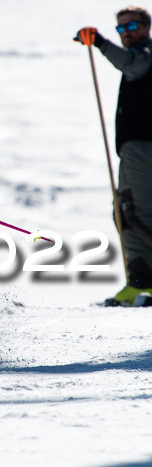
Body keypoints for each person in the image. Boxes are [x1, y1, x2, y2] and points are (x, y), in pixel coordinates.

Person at [76, 6, 152, 306]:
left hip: (142, 146)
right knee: (130, 209)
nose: (126, 33)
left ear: (146, 26)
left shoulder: (144, 54)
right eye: (121, 29)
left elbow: (132, 66)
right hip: (137, 146)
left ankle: (143, 283)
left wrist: (100, 43)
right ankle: (141, 281)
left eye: (131, 26)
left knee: (133, 210)